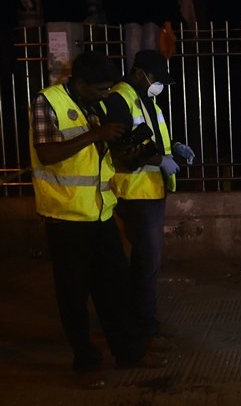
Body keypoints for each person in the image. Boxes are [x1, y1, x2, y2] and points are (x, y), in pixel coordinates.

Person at [29, 51, 166, 387]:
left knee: (115, 291)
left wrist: (127, 152)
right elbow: (47, 153)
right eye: (102, 89)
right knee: (74, 297)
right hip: (66, 217)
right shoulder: (47, 102)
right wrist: (95, 134)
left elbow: (103, 157)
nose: (107, 95)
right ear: (80, 83)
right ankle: (86, 364)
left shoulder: (95, 105)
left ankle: (129, 353)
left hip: (100, 211)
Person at [104, 50, 194, 349]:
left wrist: (174, 148)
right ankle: (143, 329)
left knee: (146, 262)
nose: (159, 85)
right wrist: (160, 160)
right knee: (147, 262)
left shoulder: (145, 98)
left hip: (151, 189)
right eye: (156, 78)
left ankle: (140, 321)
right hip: (135, 191)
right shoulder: (120, 98)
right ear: (141, 73)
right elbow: (122, 149)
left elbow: (149, 137)